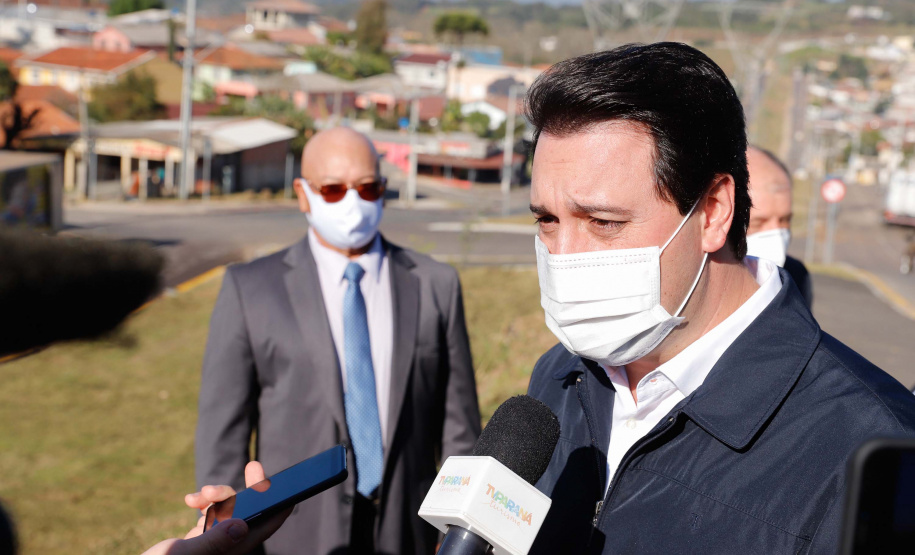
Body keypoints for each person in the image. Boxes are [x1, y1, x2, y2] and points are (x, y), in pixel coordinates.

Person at [523, 43, 915, 554]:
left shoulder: (870, 446)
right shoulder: (560, 375)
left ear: (712, 212)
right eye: (547, 220)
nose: (562, 255)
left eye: (603, 222)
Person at [195, 127, 481, 555]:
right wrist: (230, 537)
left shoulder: (435, 284)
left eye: (367, 188)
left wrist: (458, 531)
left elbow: (460, 428)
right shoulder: (250, 289)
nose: (353, 203)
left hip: (409, 533)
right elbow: (223, 438)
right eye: (332, 189)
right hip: (293, 537)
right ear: (303, 194)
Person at [745, 145, 813, 307]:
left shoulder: (796, 277)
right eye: (758, 223)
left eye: (784, 220)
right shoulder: (693, 284)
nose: (776, 234)